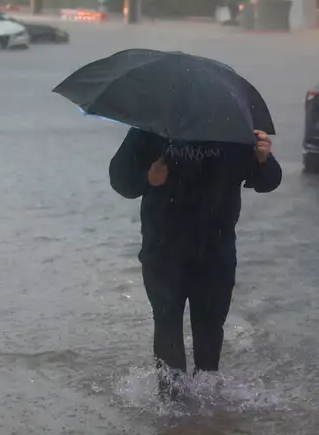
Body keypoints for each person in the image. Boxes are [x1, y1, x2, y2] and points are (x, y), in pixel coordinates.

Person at [108, 128, 282, 401]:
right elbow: (119, 179)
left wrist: (263, 159)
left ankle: (207, 409)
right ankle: (171, 405)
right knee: (167, 324)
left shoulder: (233, 130)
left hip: (215, 251)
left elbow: (267, 182)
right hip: (162, 250)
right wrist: (148, 179)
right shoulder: (152, 128)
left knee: (210, 329)